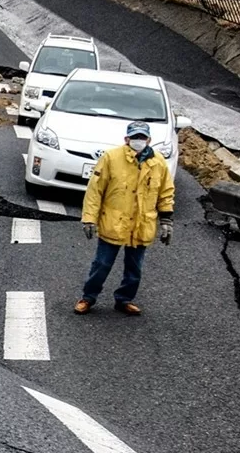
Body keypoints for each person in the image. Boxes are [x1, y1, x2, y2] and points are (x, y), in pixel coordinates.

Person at [74, 121, 175, 316]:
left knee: (134, 268)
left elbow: (165, 192)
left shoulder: (158, 162)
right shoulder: (111, 158)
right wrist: (89, 218)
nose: (138, 141)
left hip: (141, 224)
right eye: (134, 137)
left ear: (149, 140)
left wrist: (166, 220)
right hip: (114, 222)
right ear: (126, 139)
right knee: (102, 264)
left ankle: (124, 299)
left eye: (142, 138)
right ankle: (88, 297)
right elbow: (95, 191)